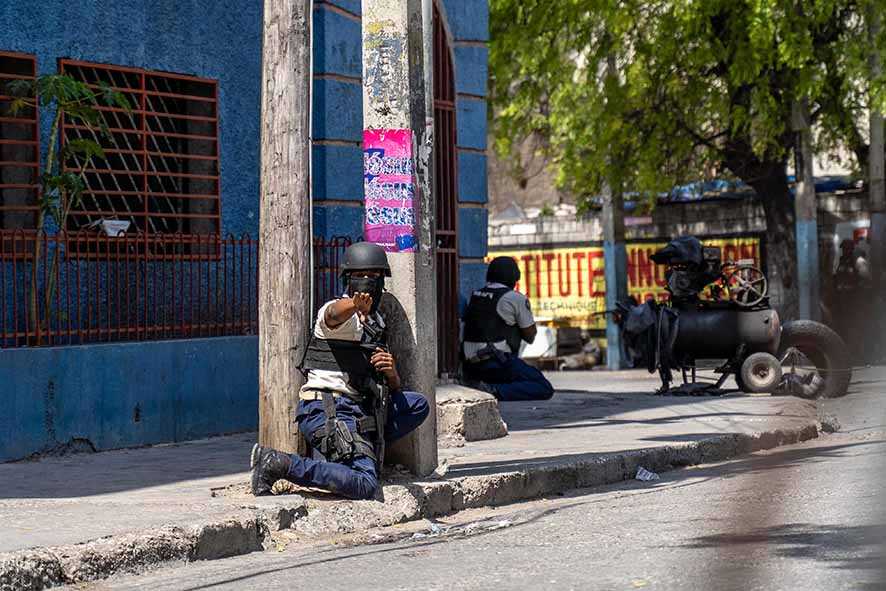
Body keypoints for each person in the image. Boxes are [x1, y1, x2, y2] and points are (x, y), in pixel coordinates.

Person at [250, 242, 429, 500]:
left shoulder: (377, 321)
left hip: (362, 409)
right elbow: (333, 315)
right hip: (327, 409)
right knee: (365, 484)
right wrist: (354, 306)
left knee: (416, 405)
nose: (367, 284)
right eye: (359, 277)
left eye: (374, 277)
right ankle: (279, 464)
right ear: (347, 280)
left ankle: (359, 451)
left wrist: (392, 375)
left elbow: (387, 388)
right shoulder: (338, 314)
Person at [460, 256, 554, 401]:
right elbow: (530, 336)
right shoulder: (514, 298)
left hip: (470, 365)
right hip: (496, 362)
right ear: (514, 277)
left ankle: (486, 386)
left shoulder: (475, 295)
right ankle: (494, 390)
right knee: (543, 386)